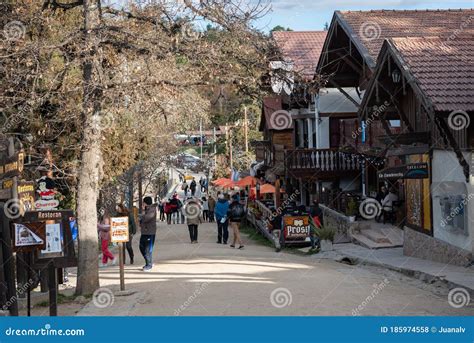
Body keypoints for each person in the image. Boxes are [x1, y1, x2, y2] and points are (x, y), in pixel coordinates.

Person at [139, 196, 157, 271]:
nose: (142, 204)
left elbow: (146, 218)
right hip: (144, 232)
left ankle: (149, 265)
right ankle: (149, 262)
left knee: (147, 249)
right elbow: (142, 219)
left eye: (143, 202)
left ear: (146, 203)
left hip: (150, 232)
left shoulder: (152, 209)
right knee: (141, 247)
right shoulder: (147, 209)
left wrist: (143, 211)